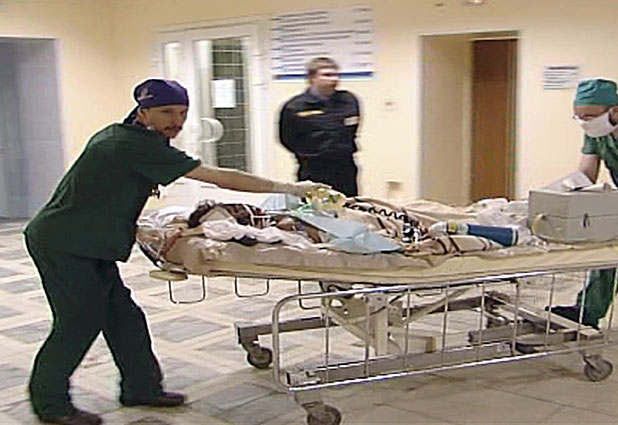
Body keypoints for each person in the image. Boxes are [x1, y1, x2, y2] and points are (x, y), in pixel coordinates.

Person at [23, 79, 326, 425]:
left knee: (124, 318)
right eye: (167, 112)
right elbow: (220, 177)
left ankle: (141, 388)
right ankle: (50, 404)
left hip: (86, 241)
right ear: (144, 111)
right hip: (64, 243)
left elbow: (106, 193)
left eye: (182, 112)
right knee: (79, 322)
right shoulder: (131, 144)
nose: (176, 121)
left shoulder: (129, 135)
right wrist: (290, 188)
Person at [551, 78, 618, 329]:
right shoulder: (597, 134)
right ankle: (587, 312)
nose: (583, 123)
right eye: (578, 117)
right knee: (607, 249)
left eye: (589, 117)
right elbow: (586, 175)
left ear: (615, 111)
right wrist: (556, 194)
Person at [278, 57, 361, 197]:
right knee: (314, 206)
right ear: (312, 78)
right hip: (313, 168)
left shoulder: (348, 100)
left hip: (344, 165)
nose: (334, 79)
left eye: (336, 75)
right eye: (327, 75)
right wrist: (310, 154)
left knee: (348, 205)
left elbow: (352, 127)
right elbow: (286, 138)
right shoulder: (296, 106)